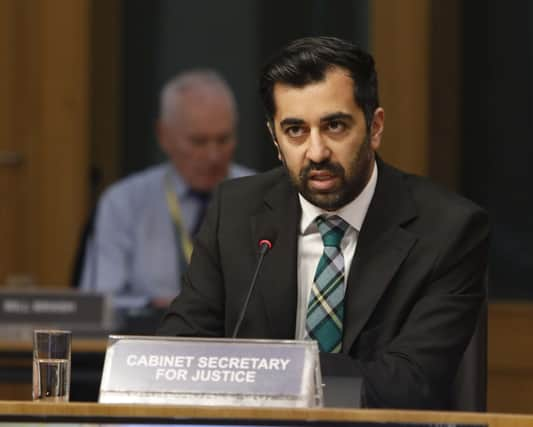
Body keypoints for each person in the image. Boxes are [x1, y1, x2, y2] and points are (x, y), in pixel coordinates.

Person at [158, 37, 489, 409]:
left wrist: (266, 374)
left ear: (375, 127)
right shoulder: (235, 212)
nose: (316, 152)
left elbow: (411, 384)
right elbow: (180, 353)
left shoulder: (447, 229)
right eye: (295, 130)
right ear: (275, 138)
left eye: (334, 126)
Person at [80, 69, 253, 309]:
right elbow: (97, 302)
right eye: (198, 142)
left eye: (223, 140)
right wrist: (153, 306)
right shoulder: (123, 202)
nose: (214, 156)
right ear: (164, 136)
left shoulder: (262, 197)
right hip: (151, 337)